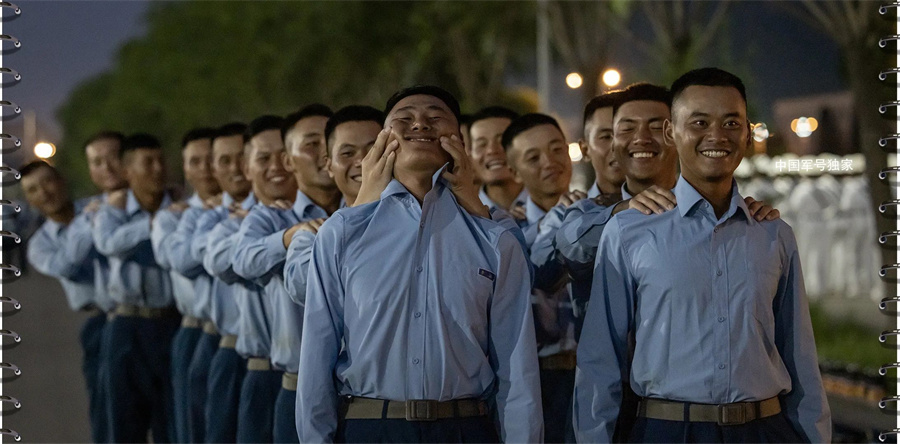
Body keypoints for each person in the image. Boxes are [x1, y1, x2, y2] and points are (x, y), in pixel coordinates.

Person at [573, 68, 831, 443]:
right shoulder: (630, 232)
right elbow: (600, 362)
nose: (717, 136)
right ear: (671, 132)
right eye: (699, 122)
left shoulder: (774, 234)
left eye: (731, 123)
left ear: (746, 132)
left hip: (765, 431)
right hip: (669, 430)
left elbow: (801, 358)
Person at [296, 85, 542, 443]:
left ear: (458, 140)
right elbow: (316, 358)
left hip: (464, 428)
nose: (420, 124)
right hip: (371, 426)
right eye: (405, 118)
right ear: (384, 138)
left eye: (435, 117)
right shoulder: (342, 233)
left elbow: (517, 369)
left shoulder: (495, 238)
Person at [232, 104, 341, 444]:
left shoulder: (365, 212)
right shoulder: (270, 219)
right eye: (312, 144)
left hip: (362, 396)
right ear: (290, 162)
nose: (324, 154)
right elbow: (243, 260)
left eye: (330, 142)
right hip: (296, 387)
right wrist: (290, 237)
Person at [92, 133, 179, 443]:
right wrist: (153, 224)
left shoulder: (181, 207)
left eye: (160, 161)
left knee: (173, 421)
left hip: (172, 323)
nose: (157, 169)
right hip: (127, 326)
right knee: (124, 422)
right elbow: (107, 243)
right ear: (127, 171)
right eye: (148, 163)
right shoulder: (111, 211)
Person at [22, 161, 116, 443]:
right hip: (100, 322)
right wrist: (87, 225)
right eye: (33, 190)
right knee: (106, 411)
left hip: (148, 314)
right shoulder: (40, 245)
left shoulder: (102, 204)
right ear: (28, 199)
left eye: (47, 182)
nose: (44, 193)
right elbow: (67, 265)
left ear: (62, 180)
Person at [501, 113, 581, 443]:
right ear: (514, 171)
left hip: (594, 378)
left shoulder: (604, 220)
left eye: (556, 149)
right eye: (533, 158)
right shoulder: (505, 234)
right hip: (534, 382)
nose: (549, 163)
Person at [151, 127, 223, 443]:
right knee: (193, 425)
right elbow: (177, 260)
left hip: (243, 337)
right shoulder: (173, 217)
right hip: (197, 329)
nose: (205, 168)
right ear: (185, 168)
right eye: (195, 161)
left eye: (211, 160)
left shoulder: (250, 209)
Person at [195, 122, 256, 442]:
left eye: (241, 158)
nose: (236, 169)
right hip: (233, 348)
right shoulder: (211, 217)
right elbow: (206, 258)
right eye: (224, 161)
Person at [468, 106, 528, 213]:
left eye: (502, 141)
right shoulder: (463, 216)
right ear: (470, 155)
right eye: (481, 144)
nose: (491, 150)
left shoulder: (555, 207)